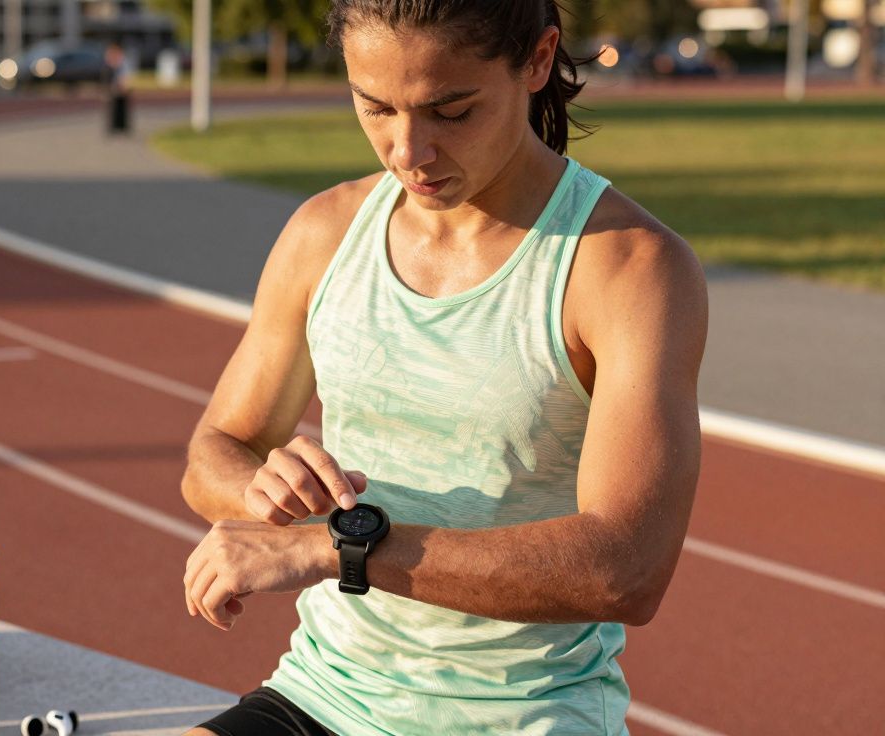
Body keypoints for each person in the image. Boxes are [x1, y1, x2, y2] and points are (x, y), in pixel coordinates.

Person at [179, 1, 708, 734]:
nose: (407, 152)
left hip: (524, 717)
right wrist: (263, 492)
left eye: (450, 112)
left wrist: (337, 546)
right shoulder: (323, 233)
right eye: (374, 107)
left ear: (537, 59)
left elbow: (627, 568)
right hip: (324, 693)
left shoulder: (628, 268)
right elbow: (214, 452)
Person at [102, 42, 132, 134]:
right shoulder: (110, 63)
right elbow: (107, 76)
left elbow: (125, 75)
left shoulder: (122, 62)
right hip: (113, 88)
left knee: (121, 108)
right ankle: (113, 127)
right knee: (112, 108)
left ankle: (122, 127)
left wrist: (124, 85)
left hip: (120, 87)